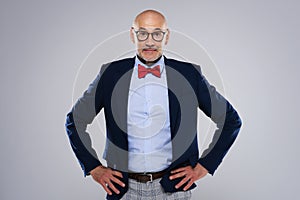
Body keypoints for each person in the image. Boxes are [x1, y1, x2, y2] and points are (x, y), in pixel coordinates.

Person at [65, 9, 242, 200]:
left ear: (166, 37)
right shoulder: (110, 74)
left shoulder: (189, 75)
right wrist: (93, 167)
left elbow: (230, 120)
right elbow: (75, 121)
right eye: (143, 33)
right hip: (123, 190)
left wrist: (205, 166)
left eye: (157, 34)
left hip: (173, 190)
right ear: (133, 35)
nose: (150, 42)